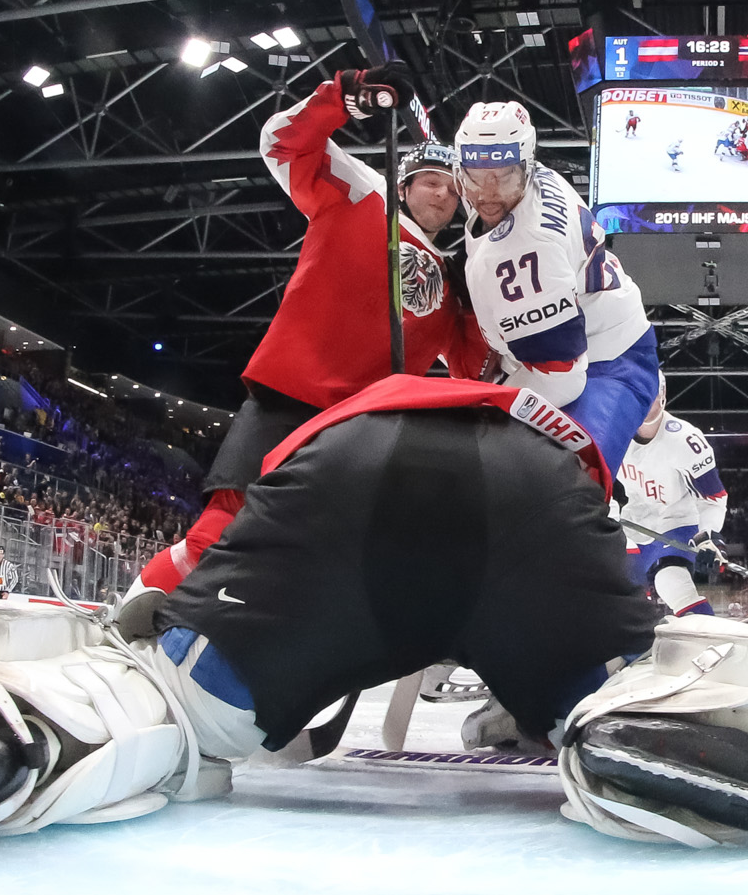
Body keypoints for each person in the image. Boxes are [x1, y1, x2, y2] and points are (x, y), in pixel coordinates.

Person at [0, 376, 748, 848]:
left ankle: (32, 722)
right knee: (611, 689)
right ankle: (694, 721)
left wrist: (146, 614)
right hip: (541, 490)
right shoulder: (570, 413)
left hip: (344, 470)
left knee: (180, 706)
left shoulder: (334, 404)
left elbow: (198, 549)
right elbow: (606, 557)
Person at [134, 69, 486, 597]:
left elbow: (472, 371)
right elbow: (281, 142)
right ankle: (134, 614)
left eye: (452, 189)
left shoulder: (457, 280)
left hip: (359, 430)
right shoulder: (364, 194)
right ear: (405, 182)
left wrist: (480, 303)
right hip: (294, 395)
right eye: (431, 181)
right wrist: (349, 95)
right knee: (224, 528)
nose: (443, 195)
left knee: (325, 555)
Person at [454, 100, 659, 472]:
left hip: (605, 361)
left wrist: (488, 413)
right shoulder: (528, 175)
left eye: (502, 175)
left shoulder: (526, 248)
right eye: (475, 175)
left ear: (526, 166)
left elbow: (563, 377)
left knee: (576, 480)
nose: (487, 193)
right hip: (570, 331)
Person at [619, 374, 728, 617]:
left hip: (675, 522)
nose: (645, 402)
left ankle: (705, 642)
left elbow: (713, 498)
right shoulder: (613, 430)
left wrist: (708, 537)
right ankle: (632, 647)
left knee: (672, 582)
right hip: (629, 522)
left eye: (652, 396)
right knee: (619, 592)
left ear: (663, 397)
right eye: (639, 394)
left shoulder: (685, 441)